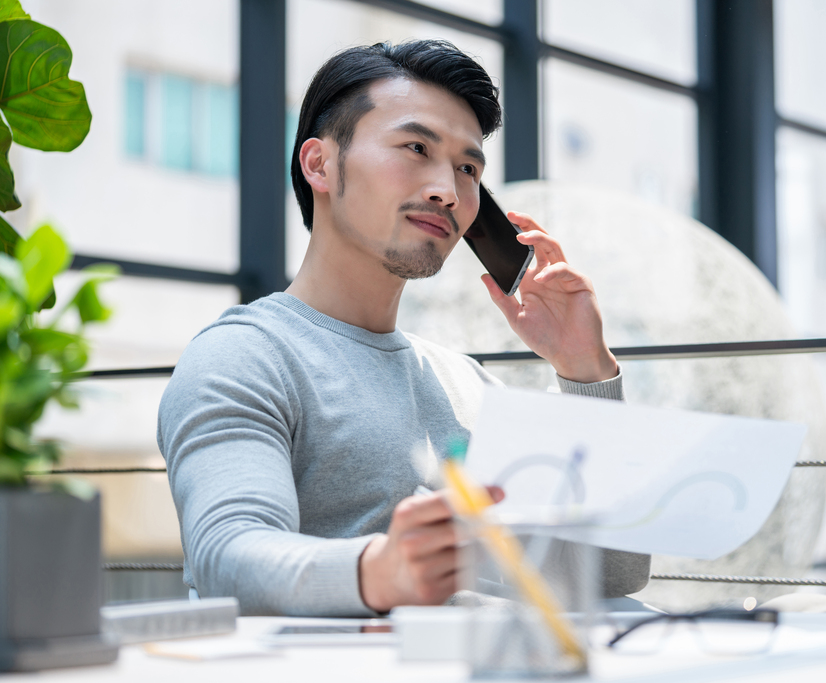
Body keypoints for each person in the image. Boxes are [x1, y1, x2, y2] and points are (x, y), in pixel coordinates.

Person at [157, 39, 649, 617]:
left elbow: (613, 573)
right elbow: (228, 558)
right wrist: (380, 572)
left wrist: (586, 371)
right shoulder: (245, 356)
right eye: (416, 147)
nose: (448, 189)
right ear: (320, 163)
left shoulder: (466, 383)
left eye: (468, 168)